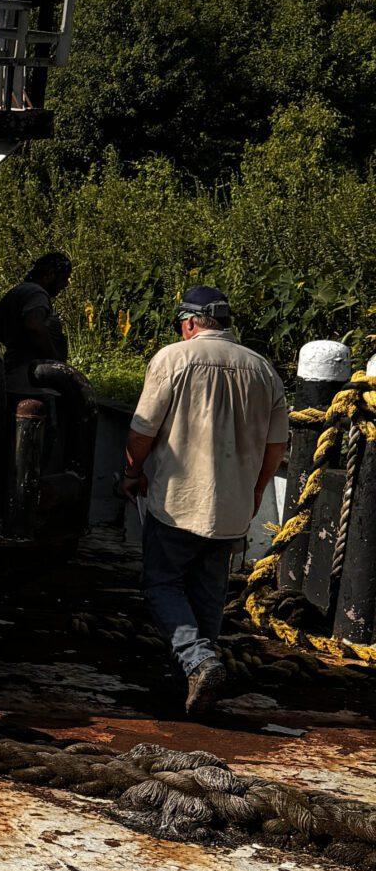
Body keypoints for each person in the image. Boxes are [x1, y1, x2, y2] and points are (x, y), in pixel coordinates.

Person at [124, 285, 288, 715]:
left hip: (178, 502)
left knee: (161, 584)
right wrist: (256, 491)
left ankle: (198, 661)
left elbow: (141, 431)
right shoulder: (263, 370)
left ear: (190, 323)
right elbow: (276, 447)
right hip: (233, 508)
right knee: (208, 594)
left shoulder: (173, 359)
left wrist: (132, 473)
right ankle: (197, 680)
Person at [0, 253, 72, 372]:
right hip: (32, 373)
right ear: (49, 275)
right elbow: (34, 325)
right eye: (64, 278)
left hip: (13, 369)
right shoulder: (37, 293)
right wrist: (54, 361)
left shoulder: (19, 291)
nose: (66, 284)